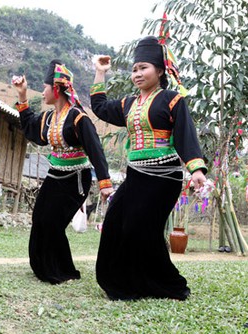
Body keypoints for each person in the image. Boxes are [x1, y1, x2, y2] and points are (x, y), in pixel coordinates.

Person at [90, 36, 207, 300]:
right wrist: (100, 71)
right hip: (135, 176)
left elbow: (186, 135)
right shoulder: (128, 104)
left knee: (139, 228)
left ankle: (169, 284)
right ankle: (120, 279)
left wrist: (196, 169)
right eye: (134, 69)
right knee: (115, 222)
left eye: (143, 67)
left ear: (160, 71)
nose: (138, 74)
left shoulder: (172, 100)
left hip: (163, 178)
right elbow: (98, 107)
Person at [11, 60, 114, 284]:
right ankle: (45, 265)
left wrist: (105, 182)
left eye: (44, 87)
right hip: (55, 175)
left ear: (56, 89)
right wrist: (22, 95)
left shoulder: (78, 117)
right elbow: (30, 128)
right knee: (40, 217)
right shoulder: (49, 118)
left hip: (76, 178)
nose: (43, 91)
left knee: (53, 222)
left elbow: (95, 150)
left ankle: (61, 270)